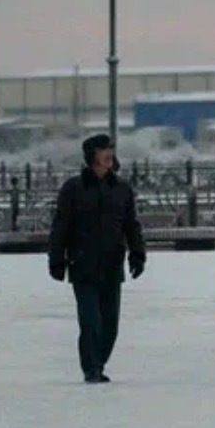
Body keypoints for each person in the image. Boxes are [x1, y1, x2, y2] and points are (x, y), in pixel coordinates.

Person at [47, 134, 147, 384]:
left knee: (110, 326)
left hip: (112, 266)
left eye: (110, 150)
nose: (109, 155)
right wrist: (56, 258)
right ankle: (92, 368)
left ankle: (98, 362)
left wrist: (138, 253)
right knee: (90, 321)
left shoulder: (122, 189)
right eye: (104, 151)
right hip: (83, 266)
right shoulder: (73, 188)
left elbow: (131, 225)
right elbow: (61, 225)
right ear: (92, 156)